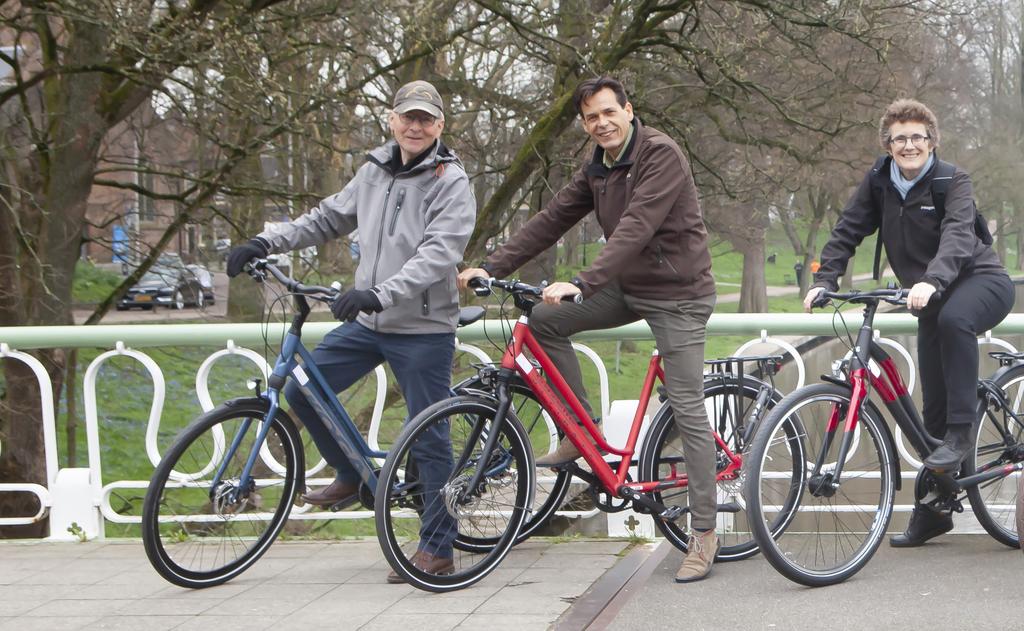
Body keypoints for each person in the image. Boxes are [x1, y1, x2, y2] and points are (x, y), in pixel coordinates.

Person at [458, 76, 720, 583]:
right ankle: (583, 434)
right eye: (591, 118)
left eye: (608, 112)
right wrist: (492, 266)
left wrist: (584, 281)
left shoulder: (659, 154)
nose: (601, 123)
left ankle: (704, 532)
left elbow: (637, 226)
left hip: (678, 293)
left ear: (628, 108)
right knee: (543, 319)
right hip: (627, 285)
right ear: (584, 124)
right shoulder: (598, 166)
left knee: (687, 406)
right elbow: (552, 218)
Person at [226, 80, 476, 582]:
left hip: (423, 326)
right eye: (408, 116)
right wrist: (263, 241)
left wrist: (379, 293)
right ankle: (350, 473)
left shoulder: (451, 181)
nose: (415, 125)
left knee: (428, 435)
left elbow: (438, 255)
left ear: (440, 126)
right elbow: (325, 219)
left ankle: (439, 549)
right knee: (302, 389)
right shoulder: (374, 171)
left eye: (426, 118)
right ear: (391, 119)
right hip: (368, 322)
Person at [805, 98, 1015, 548]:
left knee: (957, 319)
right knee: (930, 411)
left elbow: (960, 234)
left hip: (980, 281)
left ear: (931, 140)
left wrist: (933, 280)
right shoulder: (879, 181)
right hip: (929, 298)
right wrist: (825, 281)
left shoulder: (951, 179)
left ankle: (963, 434)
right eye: (900, 138)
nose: (909, 145)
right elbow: (848, 229)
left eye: (917, 137)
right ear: (888, 143)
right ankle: (934, 510)